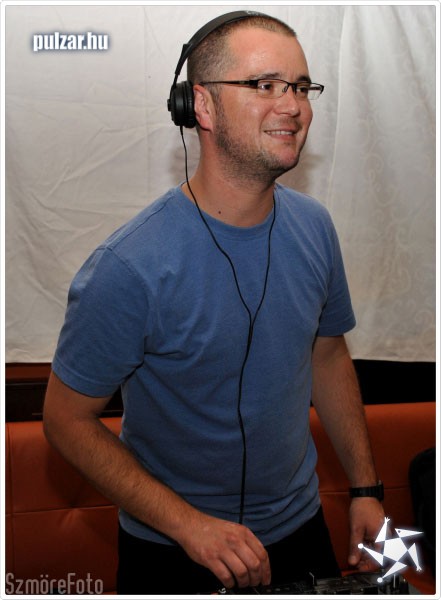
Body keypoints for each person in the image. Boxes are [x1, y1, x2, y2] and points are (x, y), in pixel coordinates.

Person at [43, 10, 385, 595]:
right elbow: (65, 420)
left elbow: (327, 356)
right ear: (200, 105)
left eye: (301, 87)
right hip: (175, 548)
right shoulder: (128, 266)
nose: (293, 106)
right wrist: (189, 526)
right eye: (265, 85)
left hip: (302, 531)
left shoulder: (316, 228)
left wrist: (365, 488)